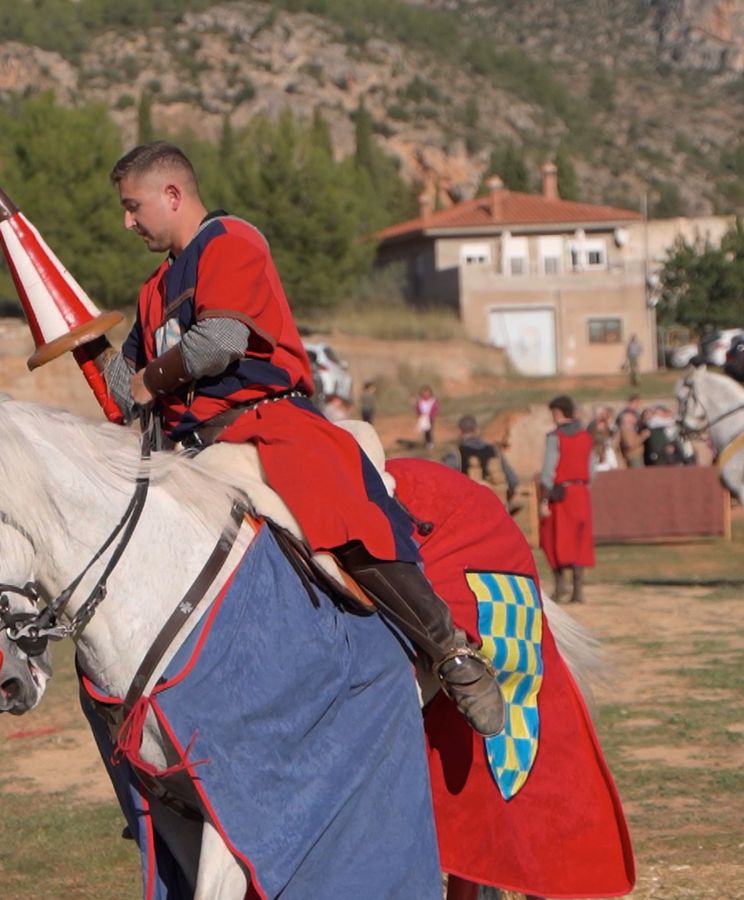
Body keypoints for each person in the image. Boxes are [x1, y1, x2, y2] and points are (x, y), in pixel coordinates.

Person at [91, 141, 503, 735]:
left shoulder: (230, 241)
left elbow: (219, 341)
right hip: (191, 447)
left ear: (173, 195)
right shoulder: (153, 290)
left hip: (266, 423)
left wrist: (148, 381)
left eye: (133, 207)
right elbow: (122, 394)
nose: (127, 222)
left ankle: (451, 652)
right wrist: (83, 341)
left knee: (336, 510)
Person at [538, 395, 594, 604]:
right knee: (580, 540)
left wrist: (544, 500)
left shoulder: (555, 437)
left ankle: (561, 583)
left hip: (561, 494)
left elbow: (548, 471)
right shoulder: (586, 437)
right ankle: (578, 588)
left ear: (557, 413)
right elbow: (592, 470)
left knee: (552, 537)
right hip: (582, 493)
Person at [455, 414, 520, 511]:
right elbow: (513, 480)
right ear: (476, 429)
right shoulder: (494, 450)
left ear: (460, 432)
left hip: (470, 510)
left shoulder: (456, 453)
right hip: (495, 508)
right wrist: (506, 498)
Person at [415, 385, 438, 449]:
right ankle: (427, 442)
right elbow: (417, 409)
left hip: (430, 418)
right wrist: (419, 415)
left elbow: (435, 409)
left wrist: (431, 416)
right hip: (423, 418)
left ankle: (430, 443)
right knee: (424, 430)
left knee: (429, 430)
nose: (426, 395)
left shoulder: (433, 401)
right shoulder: (420, 401)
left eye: (427, 393)